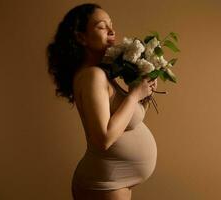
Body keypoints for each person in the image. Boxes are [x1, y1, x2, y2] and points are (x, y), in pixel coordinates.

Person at [46, 3, 158, 200]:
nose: (112, 31)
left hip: (113, 181)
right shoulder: (92, 75)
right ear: (81, 37)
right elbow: (104, 138)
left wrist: (144, 93)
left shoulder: (102, 74)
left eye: (111, 25)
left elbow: (128, 122)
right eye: (101, 26)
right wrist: (134, 95)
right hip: (105, 183)